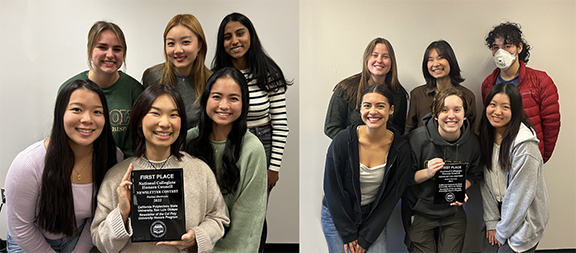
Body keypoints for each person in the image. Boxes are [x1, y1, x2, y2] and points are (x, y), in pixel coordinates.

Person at [92, 84, 228, 253]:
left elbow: (218, 218)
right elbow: (100, 241)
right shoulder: (118, 176)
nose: (164, 123)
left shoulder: (200, 171)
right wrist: (122, 213)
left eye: (173, 115)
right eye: (155, 113)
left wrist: (197, 237)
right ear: (140, 121)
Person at [6, 79, 121, 253]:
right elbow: (20, 228)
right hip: (30, 240)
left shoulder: (113, 157)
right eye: (77, 109)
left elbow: (99, 217)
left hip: (81, 237)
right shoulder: (28, 164)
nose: (87, 119)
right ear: (60, 113)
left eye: (97, 111)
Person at [212, 12, 291, 250]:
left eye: (240, 33)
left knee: (255, 212)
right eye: (227, 37)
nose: (234, 41)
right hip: (225, 143)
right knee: (223, 207)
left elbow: (280, 123)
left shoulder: (269, 72)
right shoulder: (217, 74)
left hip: (261, 142)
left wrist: (273, 167)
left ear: (250, 36)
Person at [185, 67, 267, 253]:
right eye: (216, 96)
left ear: (244, 103)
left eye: (233, 98)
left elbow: (249, 218)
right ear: (206, 99)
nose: (224, 105)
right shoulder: (188, 141)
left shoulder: (252, 149)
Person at [322, 84, 411, 253]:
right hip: (338, 216)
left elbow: (391, 198)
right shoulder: (342, 141)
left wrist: (365, 239)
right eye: (367, 105)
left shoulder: (401, 149)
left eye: (380, 106)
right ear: (360, 109)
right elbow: (332, 189)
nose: (373, 111)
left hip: (372, 216)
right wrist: (349, 235)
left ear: (391, 110)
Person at [402, 88, 483, 253]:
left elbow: (475, 174)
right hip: (419, 210)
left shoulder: (473, 143)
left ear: (465, 114)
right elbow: (405, 178)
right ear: (435, 113)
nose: (451, 115)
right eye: (444, 110)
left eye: (457, 110)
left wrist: (460, 188)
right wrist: (428, 173)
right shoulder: (417, 139)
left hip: (452, 212)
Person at [479, 82, 549, 253]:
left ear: (515, 110)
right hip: (499, 213)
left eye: (505, 107)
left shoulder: (524, 145)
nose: (497, 112)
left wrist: (502, 232)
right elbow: (486, 183)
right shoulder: (486, 137)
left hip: (524, 217)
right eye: (493, 105)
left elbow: (520, 195)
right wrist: (491, 221)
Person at [59, 21, 144, 158]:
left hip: (122, 168)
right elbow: (61, 137)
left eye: (117, 49)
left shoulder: (135, 91)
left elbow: (135, 143)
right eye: (102, 47)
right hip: (78, 167)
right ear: (90, 50)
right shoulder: (69, 89)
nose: (110, 55)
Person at [481, 21, 560, 163]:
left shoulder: (540, 81)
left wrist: (539, 156)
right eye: (495, 47)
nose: (501, 52)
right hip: (499, 157)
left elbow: (552, 124)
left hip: (528, 156)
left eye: (507, 46)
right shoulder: (488, 84)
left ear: (519, 48)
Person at [324, 37, 408, 139]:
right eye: (375, 55)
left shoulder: (399, 94)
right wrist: (359, 144)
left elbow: (398, 129)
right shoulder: (345, 89)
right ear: (367, 59)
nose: (379, 60)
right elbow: (331, 127)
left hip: (383, 152)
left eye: (385, 56)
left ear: (392, 62)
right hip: (349, 152)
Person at [143, 14, 211, 129]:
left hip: (197, 146)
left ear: (199, 45)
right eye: (171, 43)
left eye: (185, 42)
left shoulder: (211, 81)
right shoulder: (152, 77)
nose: (178, 50)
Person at [405, 40, 477, 135]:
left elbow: (471, 132)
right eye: (430, 59)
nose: (435, 64)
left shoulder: (467, 95)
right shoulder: (417, 94)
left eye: (441, 58)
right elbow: (409, 131)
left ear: (451, 60)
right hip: (423, 148)